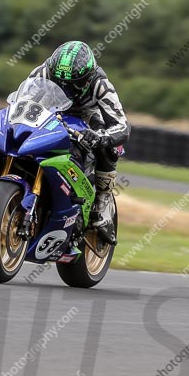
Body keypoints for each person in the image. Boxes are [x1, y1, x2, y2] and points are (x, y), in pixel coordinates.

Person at [29, 41, 130, 244]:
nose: (66, 87)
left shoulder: (101, 84)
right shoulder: (42, 73)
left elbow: (122, 126)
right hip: (50, 113)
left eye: (73, 83)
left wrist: (100, 137)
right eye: (60, 81)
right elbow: (21, 102)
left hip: (85, 119)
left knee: (111, 146)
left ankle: (103, 201)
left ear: (87, 77)